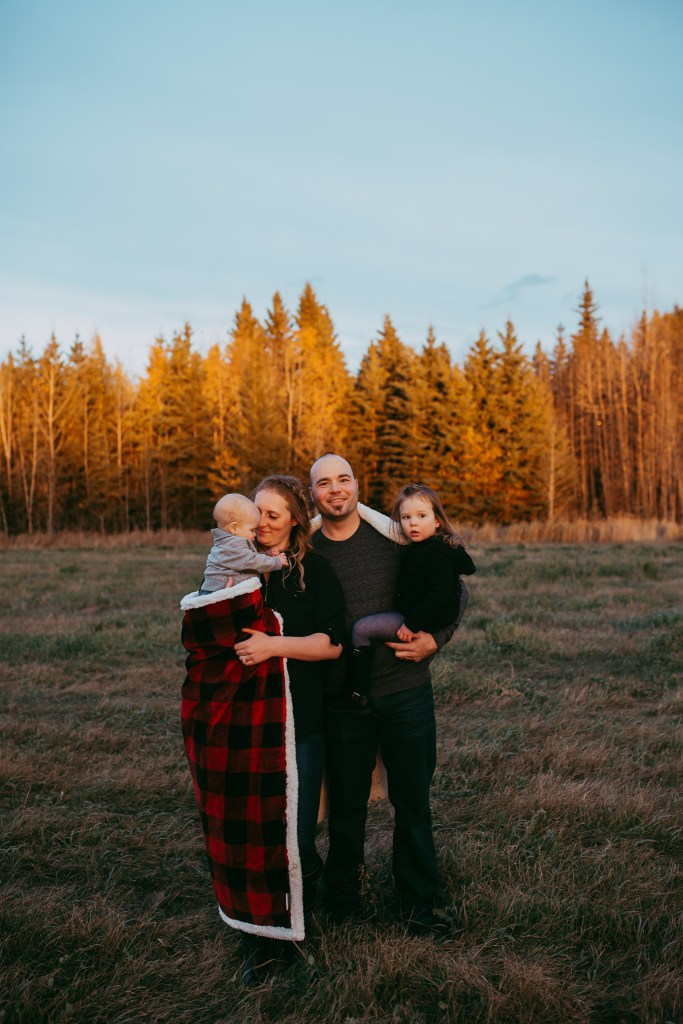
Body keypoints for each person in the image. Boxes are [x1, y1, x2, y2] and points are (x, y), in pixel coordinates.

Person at [181, 475, 344, 984]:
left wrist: (273, 646)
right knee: (252, 834)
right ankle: (263, 942)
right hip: (244, 725)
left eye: (274, 515)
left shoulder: (314, 571)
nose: (262, 523)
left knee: (294, 835)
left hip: (300, 722)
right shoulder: (233, 563)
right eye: (257, 513)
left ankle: (297, 920)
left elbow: (333, 644)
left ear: (296, 518)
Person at [309, 454, 465, 935]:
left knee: (413, 803)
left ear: (357, 485)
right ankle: (342, 902)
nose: (335, 489)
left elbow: (455, 590)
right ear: (312, 495)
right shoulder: (306, 549)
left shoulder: (394, 537)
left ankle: (419, 903)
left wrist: (436, 639)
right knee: (346, 807)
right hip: (343, 702)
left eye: (343, 479)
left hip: (406, 692)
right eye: (324, 483)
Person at [348, 483, 476, 709]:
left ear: (437, 521)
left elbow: (440, 594)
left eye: (421, 516)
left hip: (423, 618)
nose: (413, 523)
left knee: (362, 629)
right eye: (406, 517)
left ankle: (358, 688)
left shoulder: (433, 552)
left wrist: (411, 625)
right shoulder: (427, 547)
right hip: (422, 614)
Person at [198, 492, 286, 594]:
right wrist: (276, 561)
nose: (255, 534)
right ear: (234, 528)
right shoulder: (233, 545)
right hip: (217, 593)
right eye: (252, 530)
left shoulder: (227, 544)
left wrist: (267, 554)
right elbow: (251, 562)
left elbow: (245, 559)